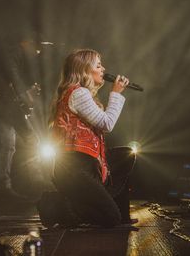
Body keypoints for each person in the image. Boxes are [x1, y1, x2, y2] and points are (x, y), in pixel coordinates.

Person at [37, 48, 138, 227]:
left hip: (91, 166)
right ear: (84, 70)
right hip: (74, 169)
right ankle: (56, 204)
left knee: (127, 154)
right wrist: (116, 93)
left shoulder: (83, 94)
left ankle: (119, 213)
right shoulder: (77, 93)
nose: (103, 69)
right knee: (109, 218)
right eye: (98, 65)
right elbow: (107, 124)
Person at [0, 34, 44, 198]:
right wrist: (26, 94)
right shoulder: (14, 54)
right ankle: (34, 182)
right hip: (7, 106)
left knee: (10, 144)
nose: (37, 51)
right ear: (25, 42)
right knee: (22, 142)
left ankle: (7, 185)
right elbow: (13, 75)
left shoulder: (20, 56)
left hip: (10, 106)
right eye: (35, 46)